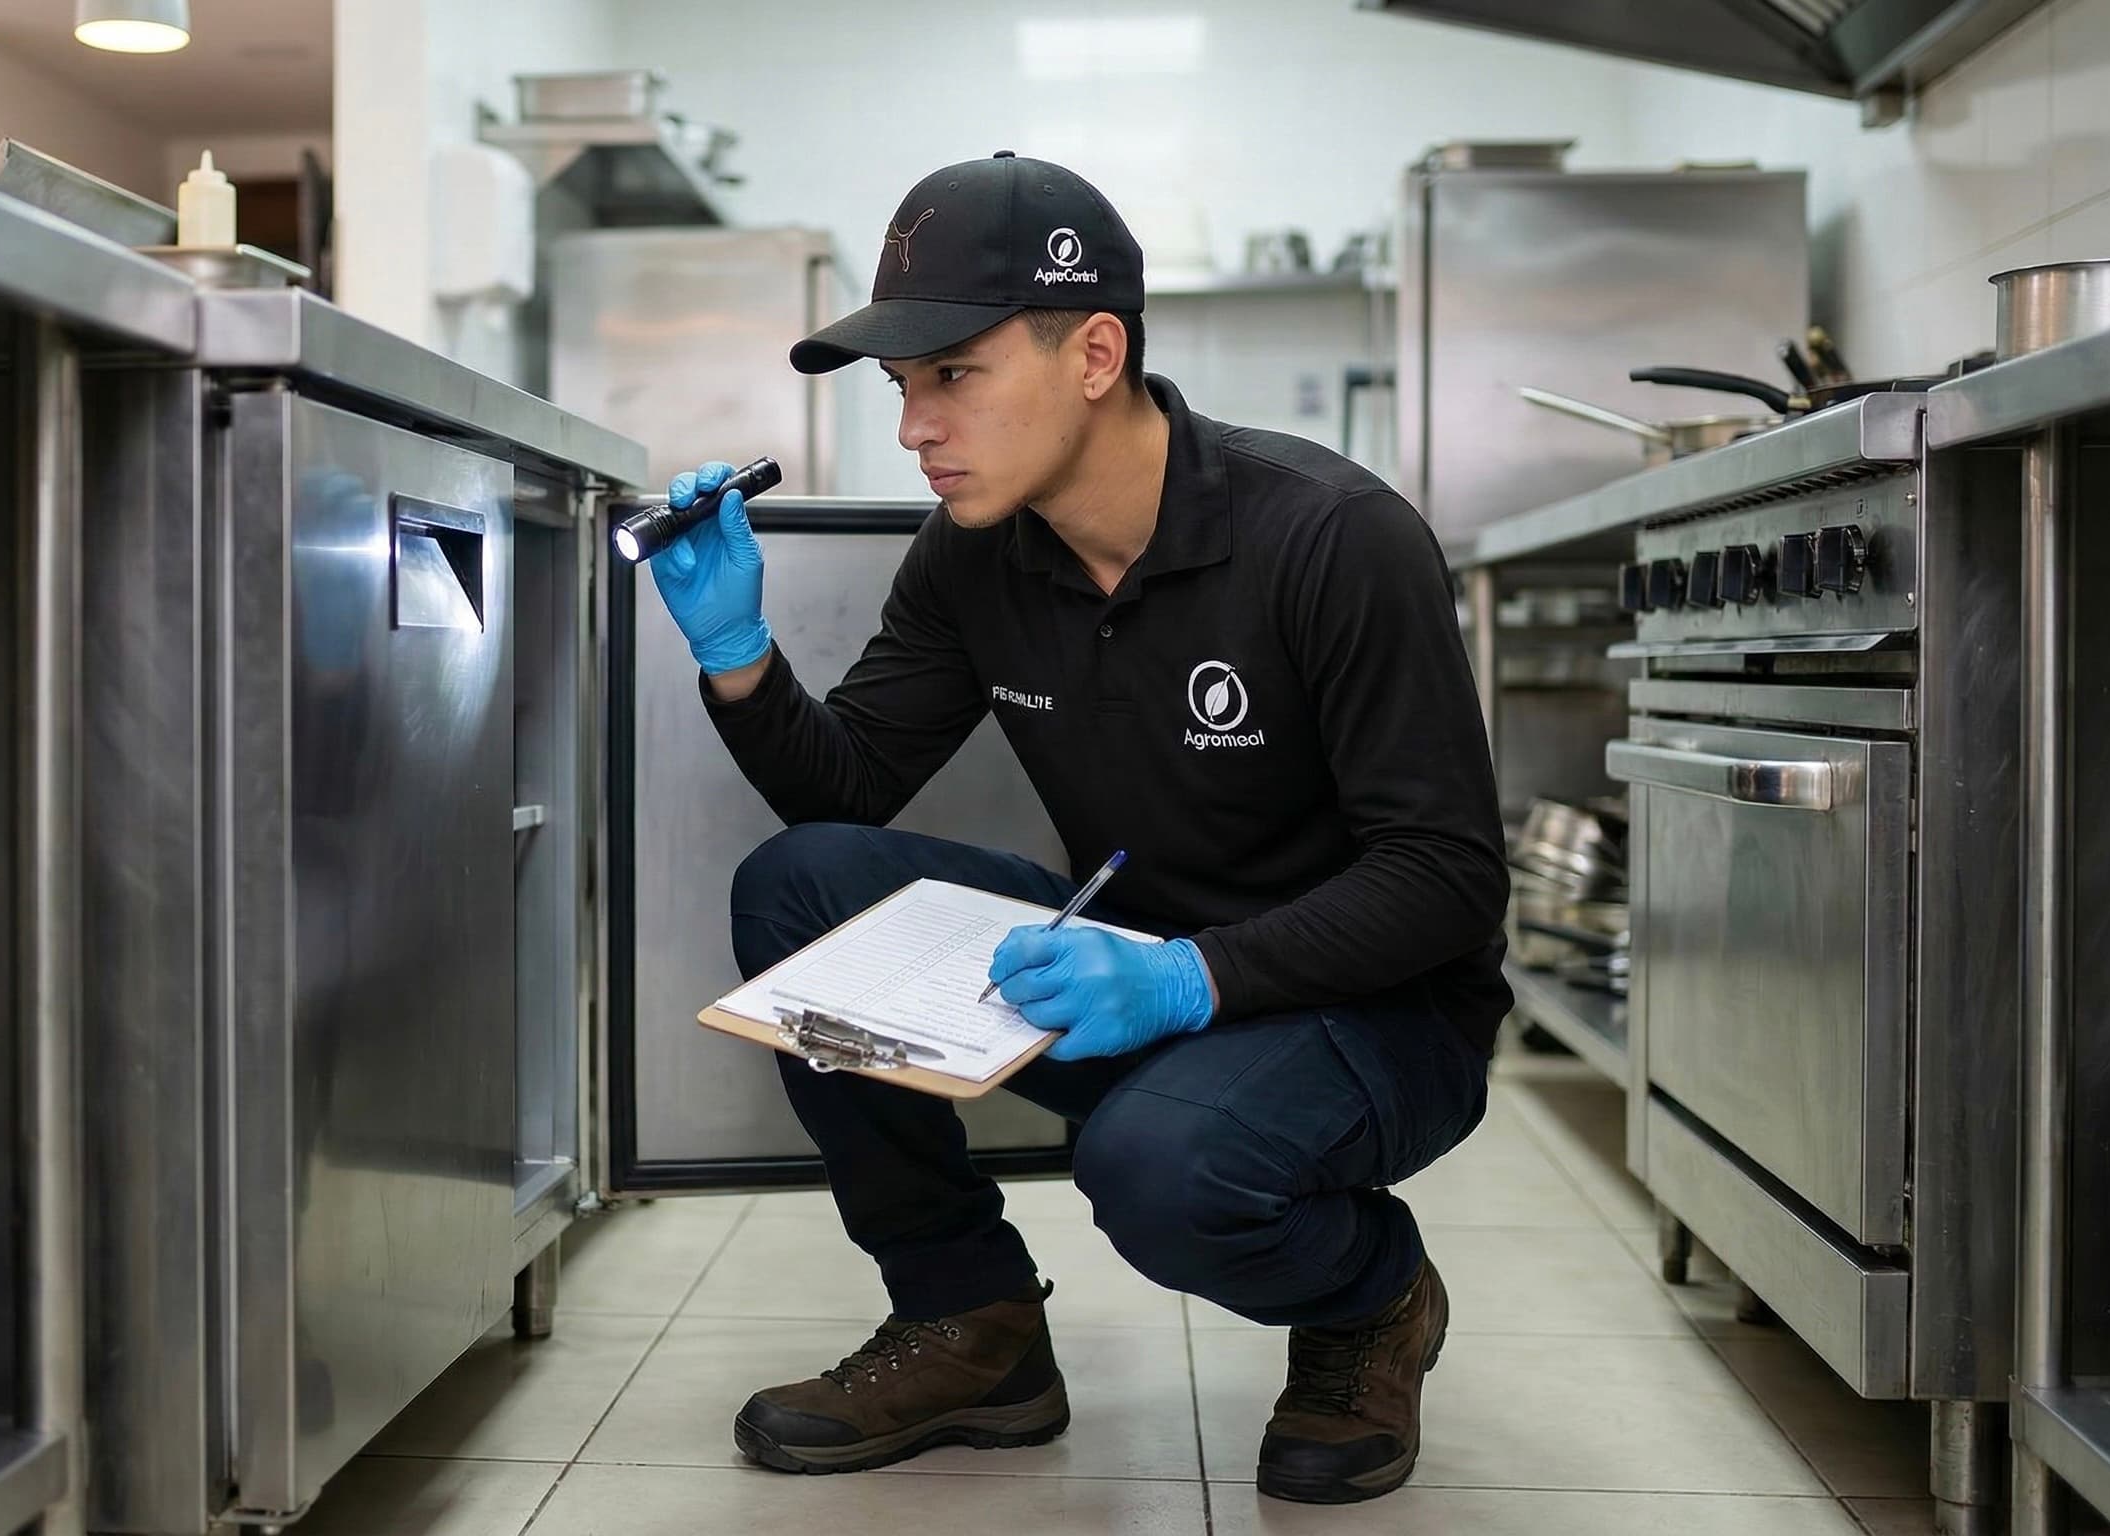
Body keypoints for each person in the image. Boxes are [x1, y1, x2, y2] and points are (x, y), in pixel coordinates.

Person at [640, 150, 1509, 1507]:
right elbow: (848, 787)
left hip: (1377, 1016)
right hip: (1146, 964)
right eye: (904, 389)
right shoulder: (978, 553)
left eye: (955, 376)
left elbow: (1449, 878)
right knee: (807, 884)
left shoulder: (1332, 538)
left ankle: (1372, 1295)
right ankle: (970, 1322)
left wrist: (1188, 977)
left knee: (1158, 1172)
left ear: (1095, 351)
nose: (917, 427)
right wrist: (739, 656)